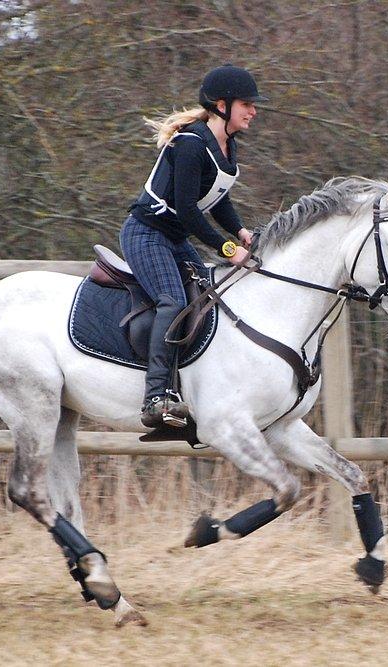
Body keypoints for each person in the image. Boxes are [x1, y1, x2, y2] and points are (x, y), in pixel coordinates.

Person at [122, 64, 267, 428]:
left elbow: (217, 199)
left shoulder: (226, 145)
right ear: (222, 105)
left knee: (207, 299)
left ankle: (196, 386)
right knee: (173, 301)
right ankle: (156, 397)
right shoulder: (190, 144)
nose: (253, 111)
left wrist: (240, 231)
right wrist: (229, 250)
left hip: (173, 238)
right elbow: (188, 211)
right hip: (146, 233)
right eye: (247, 104)